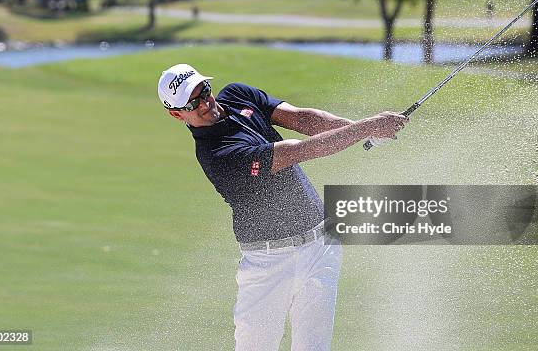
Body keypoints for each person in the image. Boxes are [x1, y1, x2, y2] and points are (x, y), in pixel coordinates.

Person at [157, 63, 408, 350]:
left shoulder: (239, 95)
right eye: (193, 102)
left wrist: (360, 129)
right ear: (177, 114)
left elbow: (302, 119)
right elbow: (297, 151)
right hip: (268, 263)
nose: (205, 102)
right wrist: (366, 128)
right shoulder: (217, 155)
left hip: (320, 245)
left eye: (204, 90)